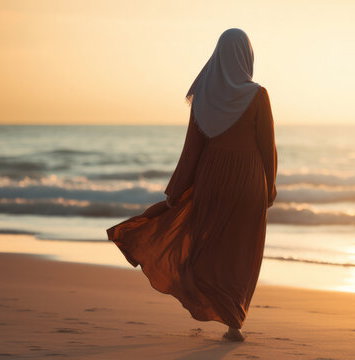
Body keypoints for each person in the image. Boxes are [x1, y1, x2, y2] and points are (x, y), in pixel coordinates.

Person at [106, 28, 277, 342]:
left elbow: (192, 149)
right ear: (246, 55)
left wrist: (176, 188)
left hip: (212, 179)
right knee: (240, 250)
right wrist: (271, 184)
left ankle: (213, 300)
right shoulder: (258, 95)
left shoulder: (204, 96)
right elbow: (267, 146)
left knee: (208, 246)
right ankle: (233, 321)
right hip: (249, 182)